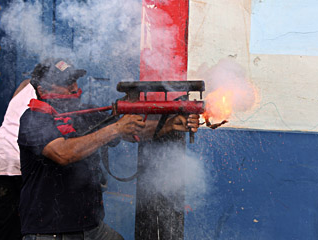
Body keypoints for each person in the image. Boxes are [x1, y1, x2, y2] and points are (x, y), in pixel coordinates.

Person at [18, 58, 199, 240]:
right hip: (50, 231)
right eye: (66, 83)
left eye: (74, 80)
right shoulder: (33, 118)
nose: (74, 88)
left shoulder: (84, 113)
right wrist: (115, 128)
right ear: (43, 90)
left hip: (90, 228)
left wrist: (170, 124)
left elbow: (132, 131)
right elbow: (63, 153)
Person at [0, 79, 37, 240]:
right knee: (24, 223)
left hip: (1, 158)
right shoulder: (51, 95)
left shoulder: (24, 84)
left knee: (3, 222)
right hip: (19, 162)